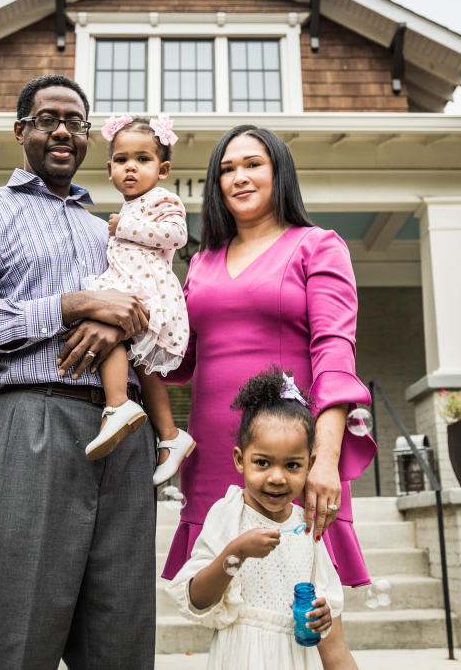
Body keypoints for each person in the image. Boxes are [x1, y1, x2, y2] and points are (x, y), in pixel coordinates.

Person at [0, 74, 156, 670]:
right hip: (29, 421)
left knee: (122, 634)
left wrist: (118, 321)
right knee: (19, 634)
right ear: (21, 130)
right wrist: (69, 305)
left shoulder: (108, 229)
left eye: (76, 123)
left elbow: (147, 311)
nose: (62, 131)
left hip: (123, 434)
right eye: (47, 119)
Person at [154, 125, 376, 659]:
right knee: (232, 604)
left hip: (290, 450)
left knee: (312, 613)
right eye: (226, 169)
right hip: (216, 454)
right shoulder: (203, 261)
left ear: (279, 171)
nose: (238, 177)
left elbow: (334, 353)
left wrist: (325, 458)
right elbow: (175, 358)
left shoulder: (317, 246)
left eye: (252, 164)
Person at [167, 367, 352, 670]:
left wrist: (322, 615)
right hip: (242, 658)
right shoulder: (229, 513)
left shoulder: (308, 526)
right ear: (241, 460)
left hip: (294, 658)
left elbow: (327, 612)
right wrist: (236, 552)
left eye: (292, 465)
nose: (277, 477)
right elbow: (196, 599)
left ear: (310, 466)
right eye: (262, 462)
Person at [79, 113, 196, 485]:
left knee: (105, 327)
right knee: (144, 368)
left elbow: (176, 235)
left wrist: (123, 227)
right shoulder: (129, 206)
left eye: (143, 160)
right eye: (122, 159)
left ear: (162, 170)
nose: (131, 167)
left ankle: (117, 405)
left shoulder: (162, 198)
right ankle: (171, 436)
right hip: (129, 288)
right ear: (109, 168)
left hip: (147, 293)